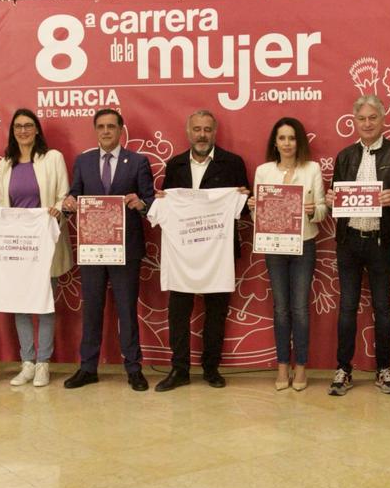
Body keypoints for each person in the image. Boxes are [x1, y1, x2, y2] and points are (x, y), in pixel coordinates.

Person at [329, 95, 390, 397]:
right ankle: (344, 369)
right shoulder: (344, 156)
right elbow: (335, 198)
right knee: (347, 307)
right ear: (355, 122)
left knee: (383, 308)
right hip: (349, 240)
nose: (367, 124)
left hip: (381, 241)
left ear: (383, 120)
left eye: (372, 118)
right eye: (362, 119)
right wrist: (331, 201)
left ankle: (384, 370)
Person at [64, 107, 155, 391]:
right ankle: (88, 367)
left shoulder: (138, 161)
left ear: (120, 130)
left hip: (126, 249)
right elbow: (75, 194)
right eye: (101, 126)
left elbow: (151, 201)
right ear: (95, 130)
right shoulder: (84, 161)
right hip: (93, 248)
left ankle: (133, 368)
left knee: (127, 309)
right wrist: (68, 203)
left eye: (111, 126)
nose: (106, 131)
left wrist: (142, 204)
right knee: (92, 308)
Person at [158, 109, 249, 391]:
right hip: (182, 255)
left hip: (217, 253)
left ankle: (211, 368)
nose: (202, 134)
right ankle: (179, 368)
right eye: (197, 129)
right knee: (178, 313)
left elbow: (242, 211)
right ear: (188, 132)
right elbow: (166, 205)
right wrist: (162, 199)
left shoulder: (233, 163)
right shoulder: (174, 166)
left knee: (216, 313)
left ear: (215, 132)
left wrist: (244, 199)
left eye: (207, 129)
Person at [253, 116, 327, 392]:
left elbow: (322, 211)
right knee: (281, 309)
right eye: (282, 138)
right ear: (275, 141)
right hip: (274, 247)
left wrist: (312, 210)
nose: (287, 143)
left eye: (292, 138)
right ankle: (282, 364)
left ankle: (301, 366)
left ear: (300, 142)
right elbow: (258, 214)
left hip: (304, 244)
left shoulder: (312, 169)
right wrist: (252, 206)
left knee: (300, 308)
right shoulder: (263, 171)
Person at [0, 108, 69, 387]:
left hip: (46, 243)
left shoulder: (52, 158)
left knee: (44, 303)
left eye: (28, 125)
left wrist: (56, 210)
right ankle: (26, 362)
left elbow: (64, 196)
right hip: (18, 246)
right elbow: (4, 204)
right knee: (21, 305)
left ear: (37, 129)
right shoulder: (6, 163)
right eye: (17, 126)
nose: (23, 131)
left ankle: (43, 363)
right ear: (12, 131)